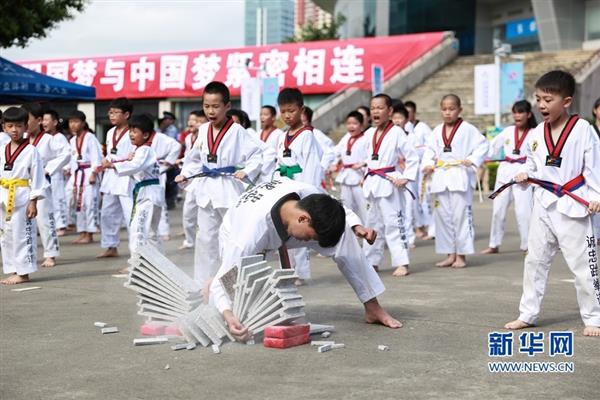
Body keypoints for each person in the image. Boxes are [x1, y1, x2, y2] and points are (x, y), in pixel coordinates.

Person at [208, 178, 402, 341]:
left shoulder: (307, 194)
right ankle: (211, 293)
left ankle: (372, 307)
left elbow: (335, 205)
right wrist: (228, 316)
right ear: (302, 219)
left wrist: (355, 225)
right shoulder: (248, 235)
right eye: (311, 237)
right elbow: (225, 278)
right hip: (237, 227)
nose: (311, 243)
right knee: (236, 299)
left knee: (344, 236)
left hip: (283, 220)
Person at [504, 70, 600, 337]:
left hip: (573, 205)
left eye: (548, 99)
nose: (542, 105)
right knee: (534, 262)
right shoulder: (535, 133)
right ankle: (528, 313)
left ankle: (594, 317)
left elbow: (594, 168)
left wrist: (597, 196)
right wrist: (524, 174)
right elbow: (531, 164)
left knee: (583, 265)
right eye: (538, 99)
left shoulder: (583, 130)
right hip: (543, 204)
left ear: (566, 101)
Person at [176, 81, 262, 287]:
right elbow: (194, 159)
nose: (211, 111)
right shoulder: (203, 129)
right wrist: (186, 173)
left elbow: (257, 155)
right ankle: (203, 285)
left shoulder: (238, 131)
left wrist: (246, 171)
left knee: (232, 240)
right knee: (205, 240)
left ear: (227, 106)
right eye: (206, 106)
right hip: (206, 189)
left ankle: (233, 284)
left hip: (229, 188)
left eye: (216, 106)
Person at [421, 94, 488, 268]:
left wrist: (472, 159)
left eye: (451, 109)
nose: (448, 112)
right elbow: (429, 151)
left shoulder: (467, 129)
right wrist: (428, 164)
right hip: (441, 176)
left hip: (459, 175)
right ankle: (450, 254)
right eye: (444, 109)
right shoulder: (436, 131)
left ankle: (462, 255)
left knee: (461, 217)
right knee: (443, 217)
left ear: (460, 110)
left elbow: (483, 145)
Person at [361, 94, 419, 277]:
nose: (375, 111)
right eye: (373, 108)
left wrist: (406, 177)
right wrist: (365, 174)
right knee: (372, 224)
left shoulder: (396, 132)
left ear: (390, 111)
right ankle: (371, 261)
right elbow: (367, 159)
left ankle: (402, 262)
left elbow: (412, 156)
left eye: (380, 108)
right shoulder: (369, 133)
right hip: (372, 183)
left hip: (389, 182)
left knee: (394, 223)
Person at [101, 114, 164, 269]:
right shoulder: (141, 151)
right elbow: (134, 164)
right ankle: (157, 263)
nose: (131, 134)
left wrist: (113, 165)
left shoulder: (144, 150)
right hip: (150, 192)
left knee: (138, 229)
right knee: (150, 231)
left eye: (135, 131)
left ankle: (137, 265)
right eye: (130, 131)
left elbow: (135, 166)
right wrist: (127, 160)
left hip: (148, 194)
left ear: (146, 134)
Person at [274, 88, 323, 285]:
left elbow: (312, 165)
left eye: (291, 111)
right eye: (283, 111)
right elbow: (278, 164)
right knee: (283, 232)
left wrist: (307, 194)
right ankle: (287, 270)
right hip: (284, 187)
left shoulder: (307, 136)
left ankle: (301, 273)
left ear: (301, 110)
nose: (287, 115)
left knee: (299, 230)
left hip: (301, 187)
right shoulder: (281, 136)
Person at [481, 100, 537, 254]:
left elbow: (537, 157)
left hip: (523, 174)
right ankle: (494, 244)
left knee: (524, 212)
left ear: (529, 114)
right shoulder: (507, 131)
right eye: (515, 112)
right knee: (498, 210)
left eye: (521, 112)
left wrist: (529, 172)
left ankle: (527, 245)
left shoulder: (535, 133)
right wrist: (478, 154)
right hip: (504, 172)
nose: (517, 116)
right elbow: (491, 149)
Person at [0, 107, 45, 285]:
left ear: (26, 126)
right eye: (10, 126)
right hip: (4, 196)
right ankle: (13, 269)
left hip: (22, 197)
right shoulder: (2, 149)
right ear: (3, 127)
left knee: (23, 235)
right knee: (7, 235)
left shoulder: (31, 151)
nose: (14, 130)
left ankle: (24, 272)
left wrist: (33, 202)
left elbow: (37, 178)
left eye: (18, 126)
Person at [22, 103, 70, 268]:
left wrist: (48, 169)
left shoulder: (49, 139)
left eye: (27, 119)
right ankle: (28, 254)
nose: (24, 123)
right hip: (23, 184)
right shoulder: (23, 140)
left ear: (39, 120)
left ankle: (50, 254)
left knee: (44, 219)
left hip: (41, 184)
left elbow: (66, 154)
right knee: (25, 222)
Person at [98, 98, 135, 258]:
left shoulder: (133, 132)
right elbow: (111, 153)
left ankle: (136, 253)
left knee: (129, 215)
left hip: (126, 177)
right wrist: (106, 160)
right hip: (111, 177)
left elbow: (134, 156)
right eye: (110, 112)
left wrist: (114, 163)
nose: (111, 116)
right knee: (107, 213)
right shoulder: (110, 132)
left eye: (115, 112)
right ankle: (110, 246)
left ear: (126, 114)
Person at [67, 110, 103, 244]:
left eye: (76, 122)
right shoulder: (72, 140)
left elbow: (96, 156)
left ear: (83, 123)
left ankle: (90, 233)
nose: (73, 125)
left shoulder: (90, 138)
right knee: (78, 204)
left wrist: (94, 173)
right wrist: (69, 170)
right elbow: (72, 158)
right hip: (77, 174)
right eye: (71, 122)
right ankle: (82, 232)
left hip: (88, 173)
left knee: (89, 204)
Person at [330, 111, 368, 223]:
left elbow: (372, 157)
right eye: (349, 123)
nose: (351, 126)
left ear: (361, 125)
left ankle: (368, 231)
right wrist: (334, 163)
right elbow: (337, 151)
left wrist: (364, 164)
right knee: (346, 207)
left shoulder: (366, 139)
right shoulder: (346, 137)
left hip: (360, 177)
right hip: (346, 176)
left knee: (364, 207)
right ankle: (350, 229)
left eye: (354, 123)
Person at [404, 100, 435, 239]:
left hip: (422, 169)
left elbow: (430, 147)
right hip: (409, 170)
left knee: (424, 199)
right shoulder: (402, 130)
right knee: (412, 200)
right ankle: (419, 227)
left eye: (409, 113)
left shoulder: (423, 128)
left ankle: (431, 229)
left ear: (414, 113)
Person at [178, 110, 205, 250]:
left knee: (205, 211)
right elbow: (191, 157)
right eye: (192, 120)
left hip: (205, 177)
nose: (192, 123)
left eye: (198, 121)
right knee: (188, 210)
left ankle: (203, 239)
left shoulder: (207, 136)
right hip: (191, 178)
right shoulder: (189, 138)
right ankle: (190, 240)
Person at [42, 109, 70, 236]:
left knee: (58, 198)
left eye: (47, 120)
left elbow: (66, 154)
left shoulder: (59, 137)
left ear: (54, 122)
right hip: (43, 173)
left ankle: (61, 225)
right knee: (45, 200)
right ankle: (48, 225)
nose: (44, 123)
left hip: (56, 172)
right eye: (43, 120)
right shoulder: (43, 137)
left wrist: (66, 168)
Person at [301, 106, 336, 188]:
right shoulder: (295, 134)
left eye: (302, 120)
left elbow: (329, 152)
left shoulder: (315, 133)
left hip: (313, 176)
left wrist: (321, 169)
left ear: (308, 120)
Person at [257, 105, 283, 183]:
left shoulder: (279, 134)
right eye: (261, 114)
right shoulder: (257, 134)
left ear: (273, 117)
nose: (262, 117)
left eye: (265, 114)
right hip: (258, 173)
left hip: (272, 172)